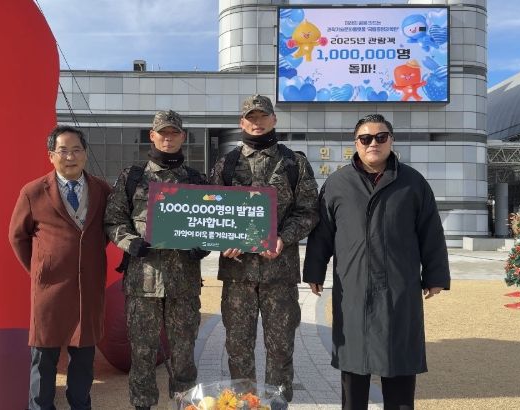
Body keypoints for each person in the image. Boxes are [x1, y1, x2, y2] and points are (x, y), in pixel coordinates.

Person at [303, 114, 451, 410]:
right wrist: (314, 271)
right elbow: (322, 234)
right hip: (353, 288)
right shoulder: (337, 183)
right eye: (366, 138)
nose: (373, 143)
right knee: (354, 368)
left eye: (381, 137)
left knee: (399, 364)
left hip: (399, 288)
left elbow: (431, 231)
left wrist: (435, 276)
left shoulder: (413, 183)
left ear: (391, 141)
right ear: (356, 143)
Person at [209, 95, 319, 402]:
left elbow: (309, 211)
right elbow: (211, 212)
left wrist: (283, 237)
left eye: (262, 116)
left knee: (281, 348)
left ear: (274, 120)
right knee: (238, 349)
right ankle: (245, 405)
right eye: (251, 117)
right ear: (242, 122)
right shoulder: (226, 164)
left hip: (279, 274)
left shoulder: (294, 163)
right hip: (238, 275)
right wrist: (224, 239)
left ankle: (277, 405)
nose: (257, 123)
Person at [104, 110, 208, 410]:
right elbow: (113, 220)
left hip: (184, 285)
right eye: (163, 132)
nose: (168, 138)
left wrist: (203, 246)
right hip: (143, 284)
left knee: (184, 354)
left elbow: (212, 223)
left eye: (174, 132)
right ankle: (142, 405)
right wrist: (130, 242)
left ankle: (186, 405)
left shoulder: (197, 181)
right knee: (143, 354)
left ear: (183, 137)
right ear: (152, 136)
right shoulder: (133, 177)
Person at [9, 125, 111, 410]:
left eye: (77, 150)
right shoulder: (33, 192)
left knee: (83, 361)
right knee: (44, 360)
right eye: (63, 151)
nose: (70, 157)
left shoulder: (102, 190)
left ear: (86, 154)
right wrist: (40, 269)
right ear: (51, 156)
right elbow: (17, 237)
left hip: (88, 289)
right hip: (49, 290)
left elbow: (108, 230)